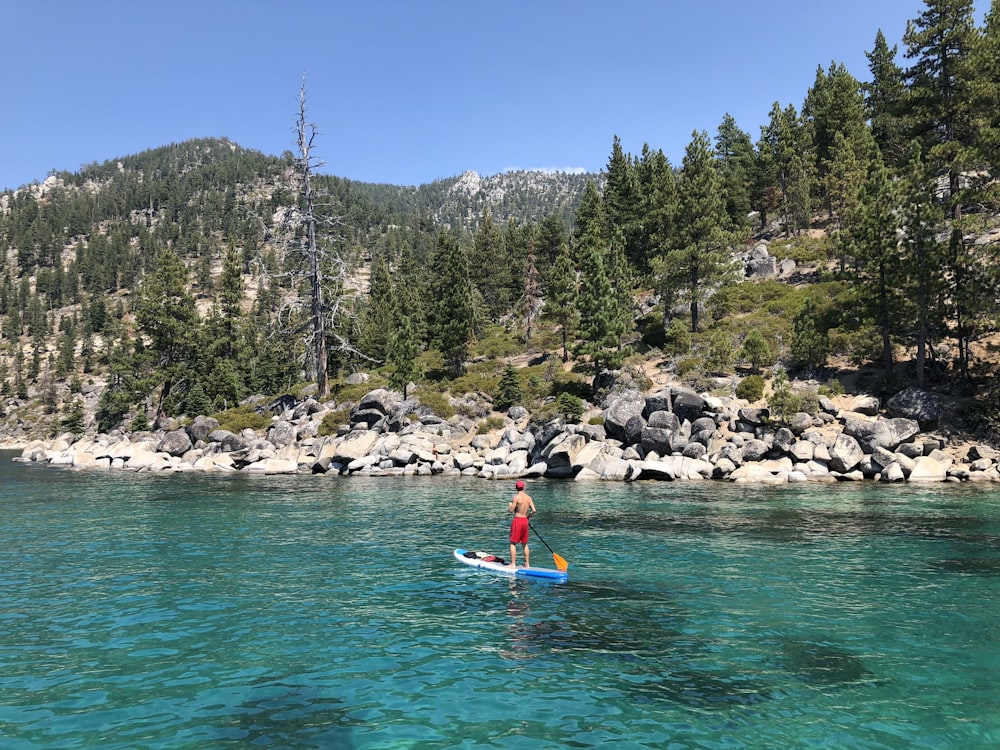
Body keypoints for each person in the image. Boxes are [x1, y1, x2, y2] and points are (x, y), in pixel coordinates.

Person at [508, 480, 536, 568]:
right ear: (523, 487)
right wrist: (528, 518)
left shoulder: (516, 497)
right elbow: (534, 510)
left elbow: (511, 510)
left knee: (513, 542)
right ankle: (527, 564)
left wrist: (510, 505)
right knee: (524, 543)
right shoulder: (528, 498)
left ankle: (513, 564)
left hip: (518, 520)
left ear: (516, 488)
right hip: (525, 521)